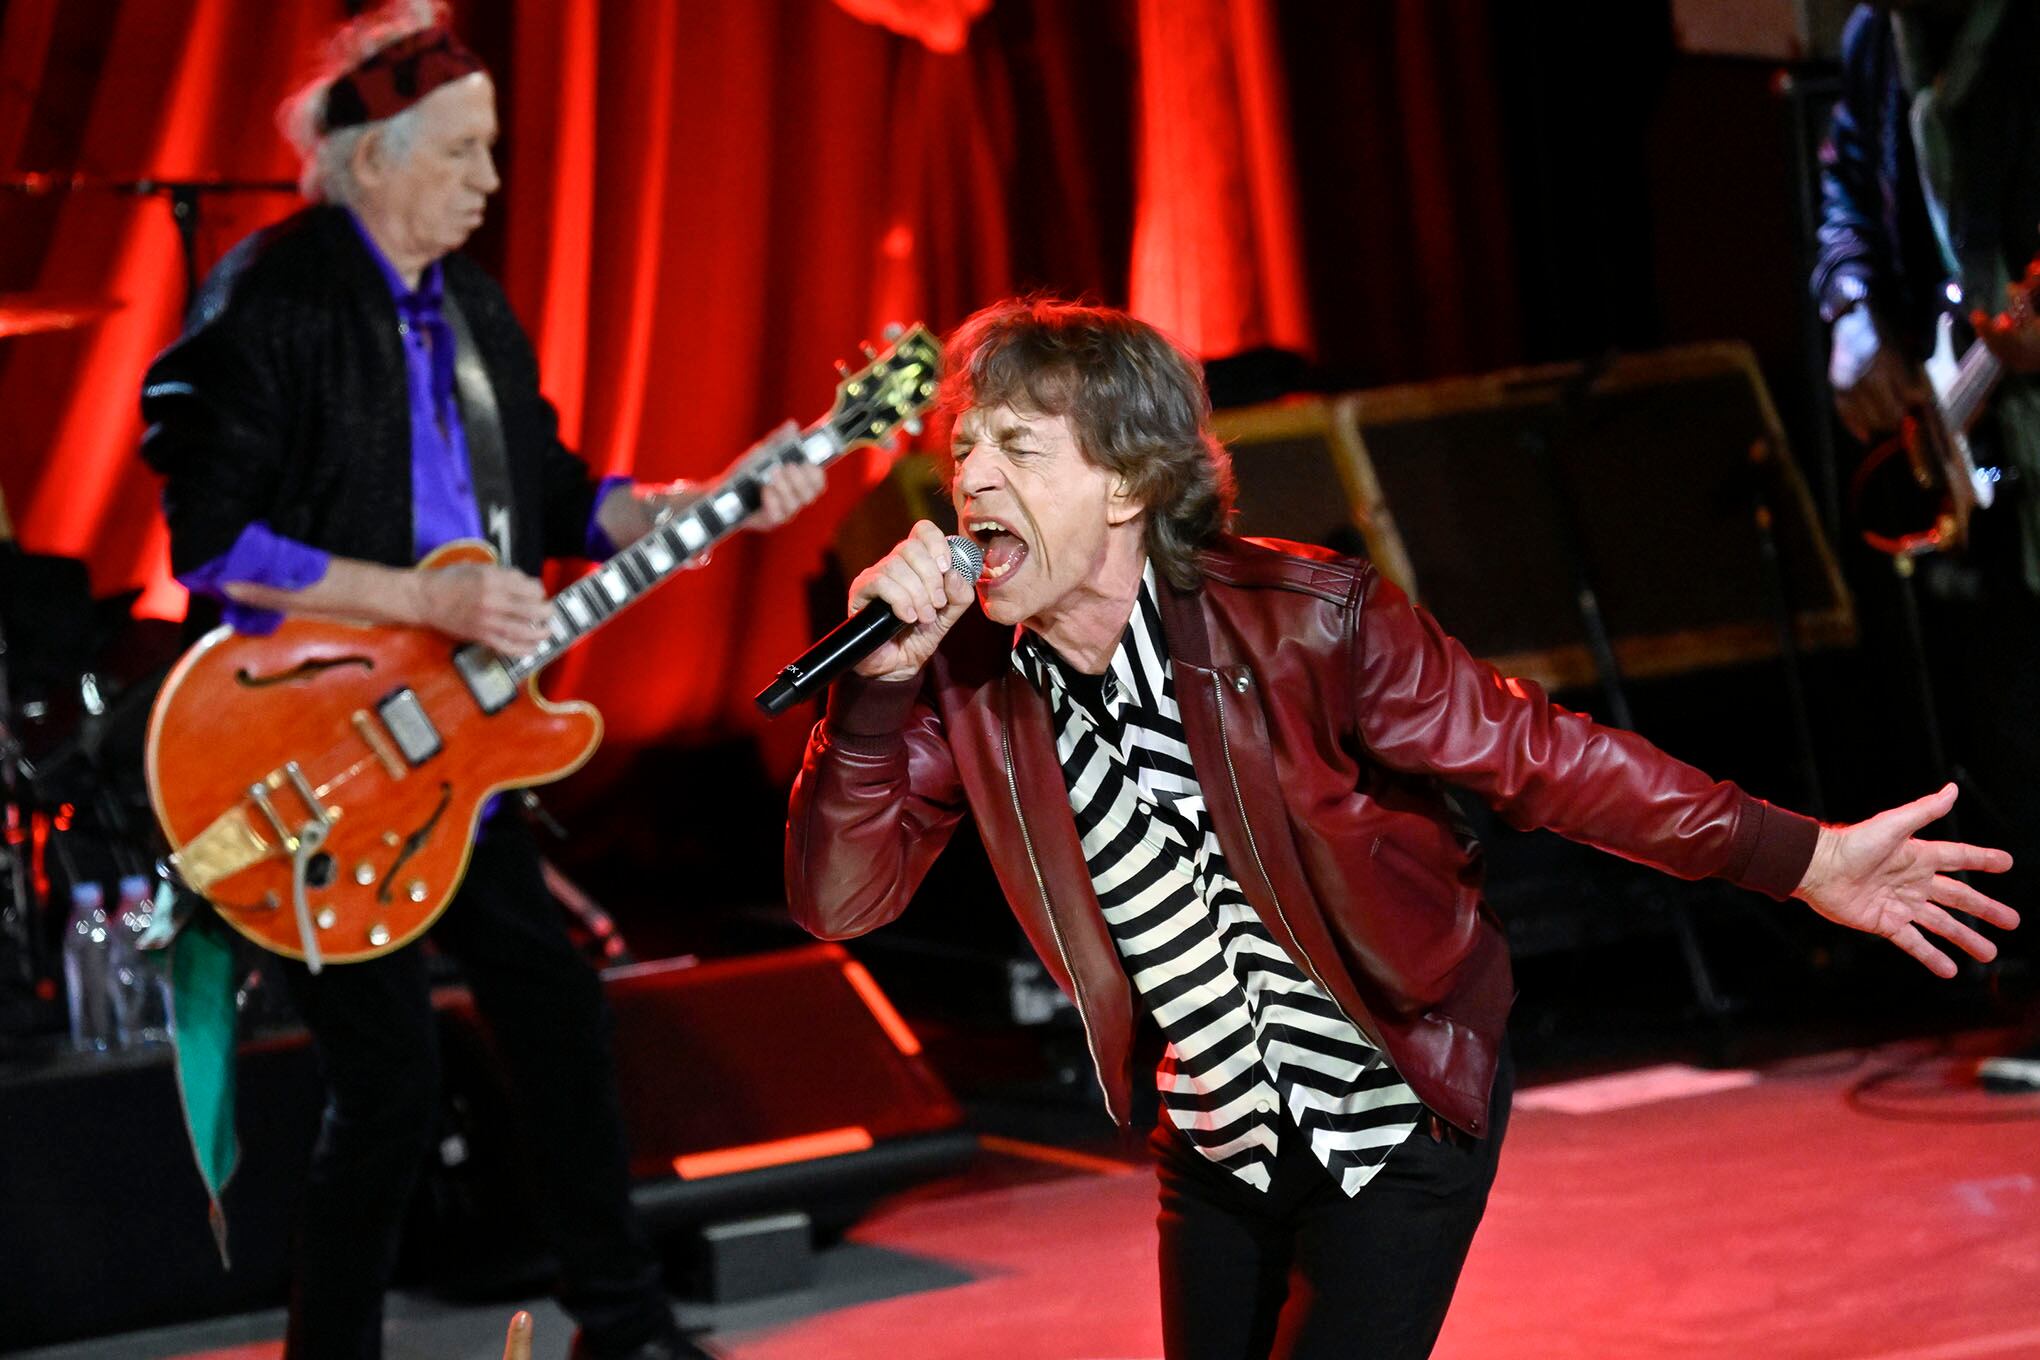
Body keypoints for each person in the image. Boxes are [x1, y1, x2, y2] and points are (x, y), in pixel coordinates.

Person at [782, 297, 2019, 1359]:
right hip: (1216, 1136)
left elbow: (1546, 760)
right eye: (964, 450)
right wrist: (875, 688)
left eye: (1017, 447)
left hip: (1396, 1105)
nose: (973, 480)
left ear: (1124, 483)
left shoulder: (1304, 619)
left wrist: (1801, 857)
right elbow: (840, 901)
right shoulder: (969, 688)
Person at [138, 6, 822, 1358]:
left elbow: (563, 498)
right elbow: (212, 540)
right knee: (387, 1089)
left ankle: (619, 1326)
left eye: (493, 151)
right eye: (462, 152)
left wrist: (715, 501)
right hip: (311, 749)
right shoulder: (272, 295)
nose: (490, 181)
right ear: (374, 159)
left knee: (560, 1016)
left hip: (460, 748)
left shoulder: (474, 315)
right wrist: (424, 600)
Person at [1816, 0, 2040, 1093]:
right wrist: (1851, 307)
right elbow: (1849, 184)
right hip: (1984, 423)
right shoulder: (1881, 33)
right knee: (2006, 711)